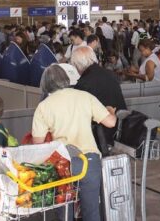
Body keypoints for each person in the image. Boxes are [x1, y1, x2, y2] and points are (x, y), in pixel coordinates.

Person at [31, 64, 118, 221]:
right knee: (91, 210)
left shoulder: (43, 107)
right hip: (89, 161)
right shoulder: (85, 96)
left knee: (64, 212)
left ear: (45, 84)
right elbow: (111, 122)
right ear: (65, 78)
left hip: (63, 163)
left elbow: (38, 144)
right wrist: (110, 111)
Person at [71, 46, 127, 156]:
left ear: (77, 65)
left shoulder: (83, 84)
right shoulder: (109, 73)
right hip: (119, 129)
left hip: (99, 138)